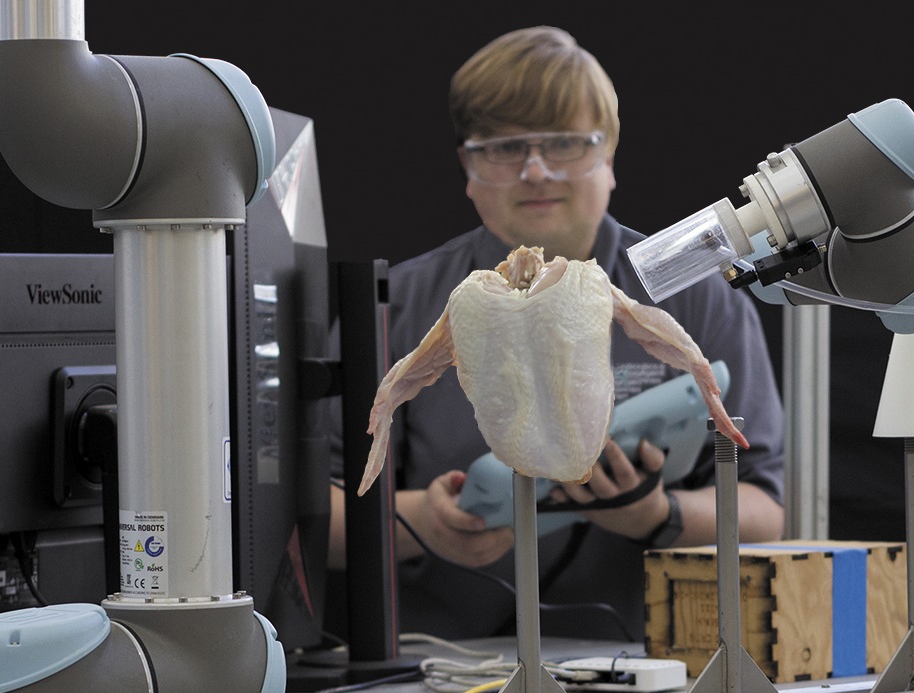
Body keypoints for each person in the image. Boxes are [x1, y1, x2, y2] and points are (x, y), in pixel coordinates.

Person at [329, 25, 785, 642]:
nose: (536, 171)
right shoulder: (402, 302)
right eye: (504, 147)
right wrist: (419, 521)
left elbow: (767, 512)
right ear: (468, 168)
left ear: (610, 157)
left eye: (567, 144)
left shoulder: (689, 294)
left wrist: (656, 515)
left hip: (636, 657)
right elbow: (304, 515)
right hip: (439, 658)